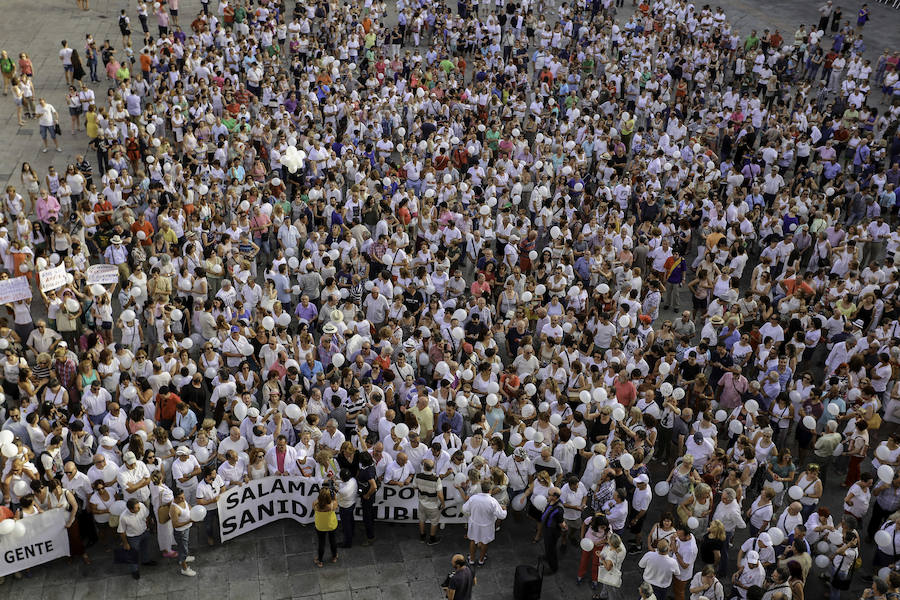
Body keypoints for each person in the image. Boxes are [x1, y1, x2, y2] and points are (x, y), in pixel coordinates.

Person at [462, 480, 508, 567]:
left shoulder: (473, 498)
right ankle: (481, 560)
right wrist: (504, 509)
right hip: (487, 526)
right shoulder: (493, 501)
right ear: (490, 490)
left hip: (474, 524)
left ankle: (471, 559)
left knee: (473, 540)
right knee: (484, 543)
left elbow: (464, 509)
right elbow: (502, 516)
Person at [117, 498, 156, 580]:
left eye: (139, 507)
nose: (139, 508)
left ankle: (145, 561)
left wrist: (150, 526)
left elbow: (147, 516)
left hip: (144, 532)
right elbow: (122, 531)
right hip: (133, 538)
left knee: (145, 548)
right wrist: (125, 543)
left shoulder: (141, 506)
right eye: (137, 508)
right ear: (130, 509)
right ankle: (134, 570)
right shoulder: (123, 517)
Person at [415, 458, 444, 545]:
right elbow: (439, 494)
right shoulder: (436, 479)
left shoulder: (418, 476)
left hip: (422, 501)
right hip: (433, 504)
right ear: (433, 467)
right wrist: (443, 503)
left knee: (421, 519)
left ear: (424, 467)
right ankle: (432, 539)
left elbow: (414, 487)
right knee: (434, 521)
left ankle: (422, 536)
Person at [168, 487, 196, 577]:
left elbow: (188, 507)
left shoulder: (182, 500)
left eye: (183, 496)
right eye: (180, 497)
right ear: (175, 498)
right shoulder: (174, 509)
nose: (183, 498)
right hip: (181, 532)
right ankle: (184, 569)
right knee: (182, 550)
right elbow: (175, 525)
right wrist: (189, 521)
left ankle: (185, 557)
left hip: (186, 529)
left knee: (185, 546)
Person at [313, 488, 339, 567]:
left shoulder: (315, 505)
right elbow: (336, 502)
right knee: (333, 541)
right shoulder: (332, 505)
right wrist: (334, 496)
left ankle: (320, 561)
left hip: (320, 526)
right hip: (331, 525)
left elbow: (317, 501)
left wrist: (321, 497)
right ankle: (334, 556)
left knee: (321, 543)